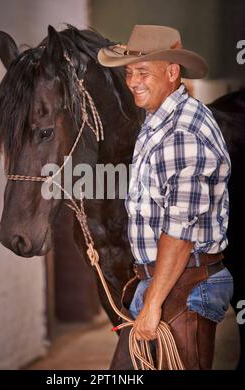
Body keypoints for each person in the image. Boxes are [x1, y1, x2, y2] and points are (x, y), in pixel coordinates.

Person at [97, 25, 233, 370]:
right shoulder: (159, 120)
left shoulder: (182, 132)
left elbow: (180, 231)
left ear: (172, 72)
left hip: (182, 288)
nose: (132, 82)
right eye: (129, 72)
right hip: (166, 282)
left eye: (143, 72)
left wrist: (154, 302)